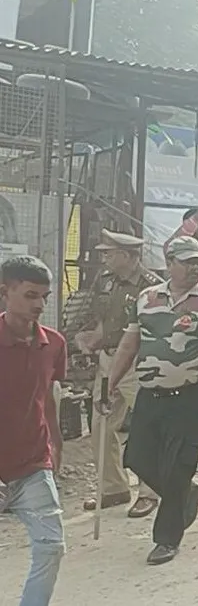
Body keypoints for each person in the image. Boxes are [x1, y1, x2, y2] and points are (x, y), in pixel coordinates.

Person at [109, 236, 198, 565]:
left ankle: (167, 539)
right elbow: (129, 345)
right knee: (137, 457)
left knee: (178, 466)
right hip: (151, 393)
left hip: (193, 395)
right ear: (169, 263)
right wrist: (109, 383)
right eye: (187, 262)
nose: (195, 268)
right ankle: (187, 492)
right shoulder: (145, 300)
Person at [74, 230, 161, 518]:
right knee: (101, 425)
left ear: (126, 255)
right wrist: (91, 340)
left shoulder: (152, 287)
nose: (104, 258)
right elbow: (104, 322)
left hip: (139, 363)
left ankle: (149, 492)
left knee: (147, 427)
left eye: (109, 253)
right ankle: (113, 488)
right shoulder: (106, 281)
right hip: (107, 360)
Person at [0, 256, 67, 606]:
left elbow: (48, 398)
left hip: (33, 466)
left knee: (51, 546)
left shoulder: (54, 344)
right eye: (30, 295)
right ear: (5, 292)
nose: (40, 304)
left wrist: (56, 444)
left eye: (45, 296)